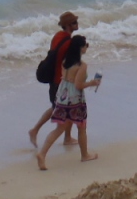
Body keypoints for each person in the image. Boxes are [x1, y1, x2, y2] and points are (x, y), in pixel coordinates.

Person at [36, 34, 100, 169]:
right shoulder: (81, 65)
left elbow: (66, 79)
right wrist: (92, 83)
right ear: (80, 48)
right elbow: (78, 85)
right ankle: (85, 155)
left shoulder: (65, 62)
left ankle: (42, 153)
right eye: (85, 45)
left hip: (62, 96)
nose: (86, 47)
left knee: (59, 129)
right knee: (81, 127)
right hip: (75, 99)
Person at [28, 11, 79, 147]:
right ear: (68, 25)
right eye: (74, 22)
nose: (77, 24)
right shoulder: (69, 43)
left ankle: (66, 137)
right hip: (61, 81)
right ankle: (36, 132)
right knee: (65, 109)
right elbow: (68, 64)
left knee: (58, 108)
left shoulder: (57, 36)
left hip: (54, 80)